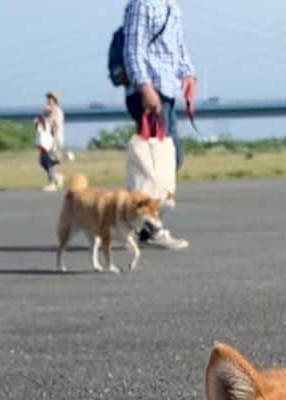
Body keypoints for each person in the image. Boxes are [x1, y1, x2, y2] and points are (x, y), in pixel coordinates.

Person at [122, 0, 194, 251]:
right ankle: (150, 227)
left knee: (170, 159)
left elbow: (177, 45)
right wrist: (145, 88)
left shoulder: (172, 5)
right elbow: (133, 49)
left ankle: (141, 223)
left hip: (168, 88)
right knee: (150, 166)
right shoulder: (143, 4)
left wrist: (188, 72)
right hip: (151, 91)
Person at [36, 91, 65, 191]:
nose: (48, 100)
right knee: (42, 161)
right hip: (45, 139)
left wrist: (54, 142)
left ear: (55, 100)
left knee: (50, 161)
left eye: (50, 98)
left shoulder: (57, 111)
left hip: (54, 139)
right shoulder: (46, 111)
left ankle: (53, 182)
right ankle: (57, 177)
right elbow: (41, 124)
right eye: (47, 98)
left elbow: (55, 126)